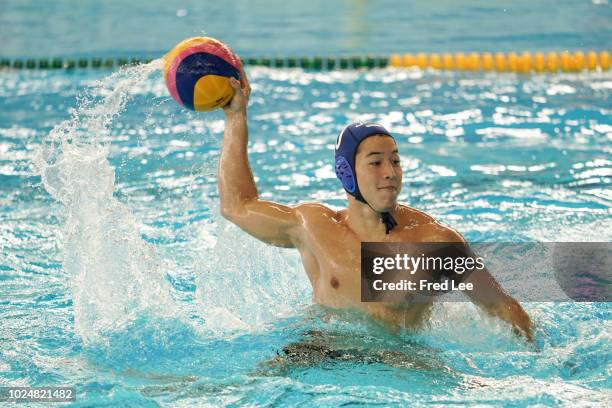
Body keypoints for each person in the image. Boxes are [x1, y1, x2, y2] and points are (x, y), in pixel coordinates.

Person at [218, 71, 533, 342]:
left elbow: (499, 306)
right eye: (376, 162)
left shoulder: (434, 242)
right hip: (323, 351)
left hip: (399, 362)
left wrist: (542, 359)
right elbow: (237, 205)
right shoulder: (313, 226)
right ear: (346, 172)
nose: (390, 172)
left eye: (395, 161)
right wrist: (236, 117)